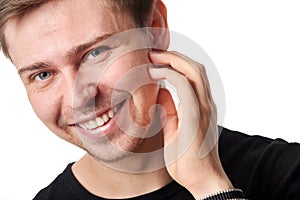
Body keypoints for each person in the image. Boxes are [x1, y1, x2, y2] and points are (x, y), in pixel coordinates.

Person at [0, 0, 299, 199]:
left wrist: (210, 188)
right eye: (42, 74)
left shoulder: (285, 175)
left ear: (155, 27)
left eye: (96, 53)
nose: (79, 99)